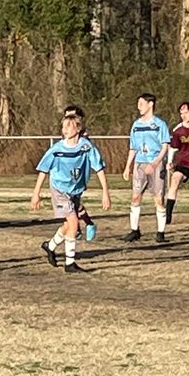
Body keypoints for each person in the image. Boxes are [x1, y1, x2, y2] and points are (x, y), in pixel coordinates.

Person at [31, 111, 111, 274]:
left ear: (78, 128)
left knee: (68, 226)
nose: (65, 129)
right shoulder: (57, 149)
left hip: (75, 190)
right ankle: (70, 264)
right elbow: (43, 170)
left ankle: (50, 246)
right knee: (74, 223)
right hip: (59, 189)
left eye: (69, 125)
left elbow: (99, 168)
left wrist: (105, 193)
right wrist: (36, 193)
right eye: (63, 126)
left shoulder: (86, 146)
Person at [122, 93, 170, 242]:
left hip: (156, 164)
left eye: (141, 103)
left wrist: (155, 163)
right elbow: (133, 147)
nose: (139, 107)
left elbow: (165, 146)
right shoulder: (136, 125)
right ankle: (134, 230)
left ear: (151, 104)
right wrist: (128, 166)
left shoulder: (160, 124)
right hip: (140, 164)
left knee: (159, 199)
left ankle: (160, 233)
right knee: (135, 197)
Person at [63, 103, 98, 241]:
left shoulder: (83, 138)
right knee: (73, 204)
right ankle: (86, 224)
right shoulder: (65, 133)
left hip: (77, 175)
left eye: (72, 116)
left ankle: (80, 227)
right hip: (66, 174)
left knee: (72, 203)